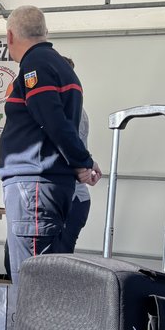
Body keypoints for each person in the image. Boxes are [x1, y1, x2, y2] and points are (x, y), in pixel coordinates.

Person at [0, 6, 101, 327]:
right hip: (43, 186)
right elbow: (60, 124)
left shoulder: (36, 65)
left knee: (32, 281)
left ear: (10, 36)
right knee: (42, 279)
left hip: (34, 185)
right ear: (45, 32)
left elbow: (52, 119)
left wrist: (82, 161)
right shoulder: (59, 68)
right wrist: (80, 161)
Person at [58, 57, 92, 253]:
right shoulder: (64, 109)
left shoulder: (71, 111)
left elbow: (69, 151)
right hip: (70, 198)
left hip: (71, 199)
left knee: (56, 261)